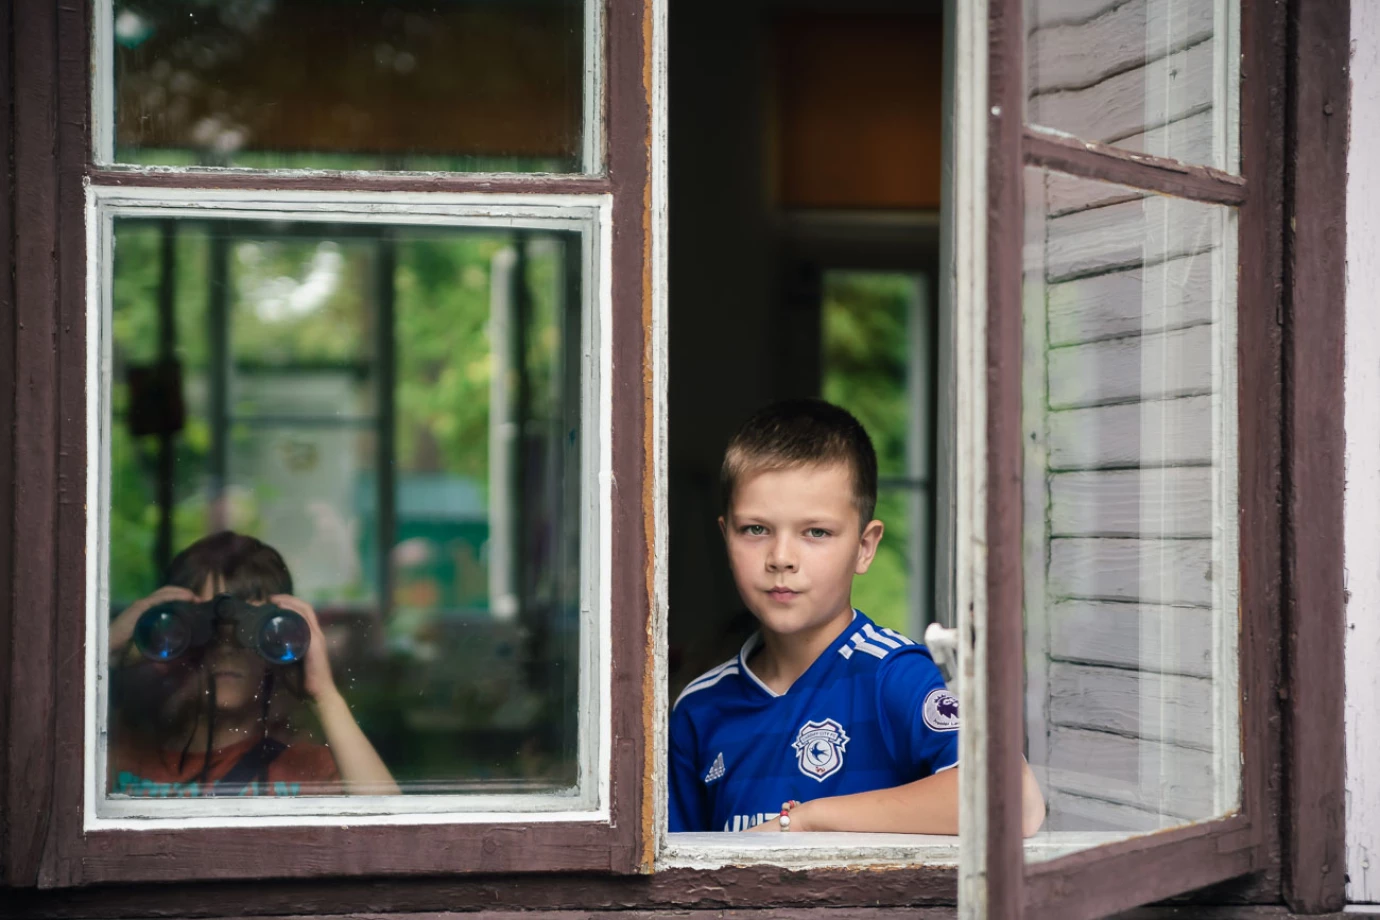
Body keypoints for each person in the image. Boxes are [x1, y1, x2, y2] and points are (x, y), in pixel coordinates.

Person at [668, 399, 1045, 834]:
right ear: (725, 536)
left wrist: (806, 822)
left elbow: (1013, 800)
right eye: (756, 529)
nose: (781, 558)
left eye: (816, 532)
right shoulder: (700, 709)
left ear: (865, 547)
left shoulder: (894, 676)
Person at [107, 531, 399, 797]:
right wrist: (107, 650)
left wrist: (325, 695)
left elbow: (388, 834)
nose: (226, 646)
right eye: (203, 625)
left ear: (281, 638)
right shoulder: (118, 752)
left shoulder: (307, 769)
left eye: (251, 629)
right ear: (171, 633)